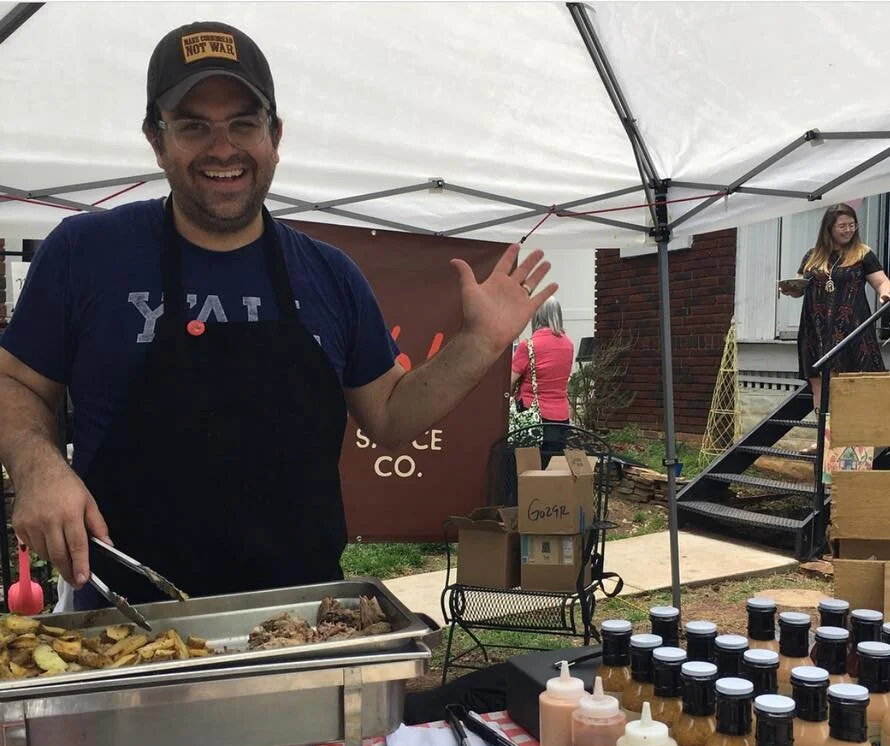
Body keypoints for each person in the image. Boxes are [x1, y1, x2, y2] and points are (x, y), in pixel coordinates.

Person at [0, 21, 557, 611]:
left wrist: (480, 343)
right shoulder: (85, 253)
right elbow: (14, 381)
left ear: (275, 135)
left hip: (300, 620)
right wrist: (37, 466)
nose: (222, 148)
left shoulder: (329, 274)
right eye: (193, 126)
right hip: (125, 620)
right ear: (157, 141)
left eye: (244, 123)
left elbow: (390, 416)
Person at [779, 203, 890, 411]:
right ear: (829, 228)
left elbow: (881, 281)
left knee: (853, 382)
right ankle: (826, 440)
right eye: (842, 226)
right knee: (819, 384)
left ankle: (854, 438)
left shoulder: (862, 253)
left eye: (852, 225)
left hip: (852, 327)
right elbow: (801, 286)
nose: (848, 230)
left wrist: (886, 292)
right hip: (816, 329)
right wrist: (791, 289)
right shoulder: (812, 256)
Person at [510, 296, 574, 459]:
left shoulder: (528, 345)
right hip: (561, 417)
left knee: (528, 470)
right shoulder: (569, 345)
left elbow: (508, 382)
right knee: (553, 469)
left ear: (536, 316)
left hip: (532, 418)